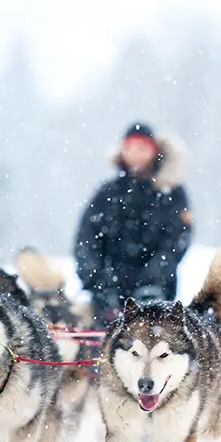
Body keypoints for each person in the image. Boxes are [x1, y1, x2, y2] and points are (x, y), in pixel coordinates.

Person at [73, 121, 193, 329]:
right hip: (107, 294)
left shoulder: (172, 192)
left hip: (157, 292)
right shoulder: (107, 193)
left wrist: (153, 279)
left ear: (154, 152)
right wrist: (98, 282)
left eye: (142, 148)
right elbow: (86, 239)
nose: (135, 154)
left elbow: (176, 241)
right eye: (130, 148)